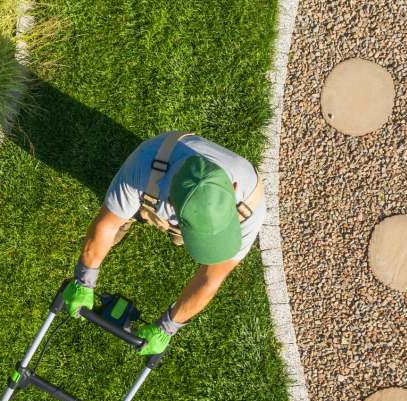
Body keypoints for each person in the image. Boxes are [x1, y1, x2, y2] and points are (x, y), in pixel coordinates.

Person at [62, 131, 265, 354]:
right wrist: (84, 279)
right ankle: (136, 212)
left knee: (180, 240)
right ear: (170, 203)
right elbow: (106, 226)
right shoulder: (143, 165)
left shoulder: (250, 206)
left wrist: (168, 327)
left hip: (171, 200)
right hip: (154, 183)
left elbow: (210, 278)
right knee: (119, 220)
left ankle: (174, 230)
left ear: (234, 189)